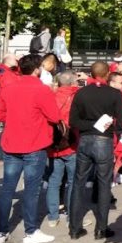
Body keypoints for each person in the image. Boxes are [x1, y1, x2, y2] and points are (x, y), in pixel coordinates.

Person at [0, 54, 61, 243]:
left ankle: (1, 231)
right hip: (34, 143)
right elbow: (55, 117)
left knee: (7, 188)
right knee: (31, 190)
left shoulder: (7, 88)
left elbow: (0, 114)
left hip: (11, 143)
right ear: (37, 69)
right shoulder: (41, 89)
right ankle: (30, 231)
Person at [68, 61, 122, 241]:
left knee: (78, 183)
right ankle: (101, 228)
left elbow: (73, 121)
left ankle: (75, 228)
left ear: (91, 74)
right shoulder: (115, 94)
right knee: (103, 183)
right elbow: (121, 123)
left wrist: (91, 125)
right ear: (108, 73)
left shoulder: (81, 93)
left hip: (85, 139)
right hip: (104, 141)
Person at [46, 71, 79, 227]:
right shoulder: (76, 96)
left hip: (54, 145)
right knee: (73, 181)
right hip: (72, 144)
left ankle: (53, 217)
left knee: (54, 181)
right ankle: (72, 216)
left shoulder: (50, 96)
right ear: (72, 82)